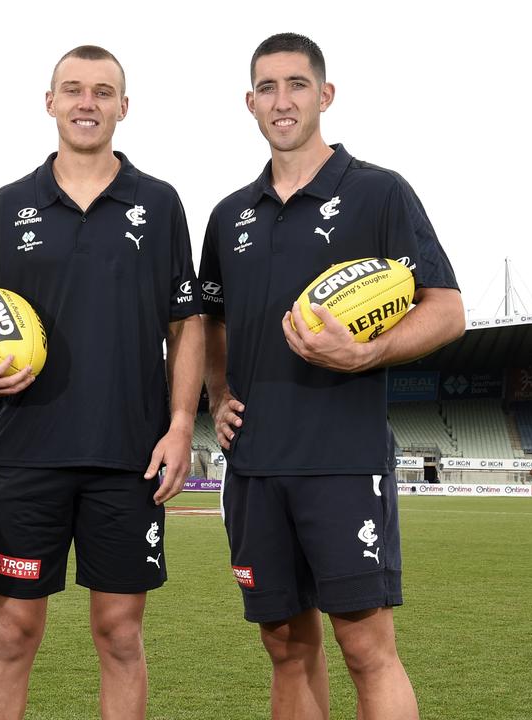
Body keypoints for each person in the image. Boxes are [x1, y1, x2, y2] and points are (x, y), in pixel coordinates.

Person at [199, 33, 465, 720]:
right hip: (255, 465)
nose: (281, 100)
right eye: (267, 87)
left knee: (366, 647)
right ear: (250, 102)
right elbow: (212, 323)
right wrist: (217, 393)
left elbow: (447, 310)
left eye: (296, 84)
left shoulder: (378, 193)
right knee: (285, 647)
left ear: (325, 94)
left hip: (343, 460)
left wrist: (367, 354)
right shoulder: (230, 216)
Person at [0, 45, 204, 720]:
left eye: (102, 91)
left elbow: (186, 325)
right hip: (29, 453)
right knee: (12, 634)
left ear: (124, 107)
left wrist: (182, 425)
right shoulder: (8, 208)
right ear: (50, 102)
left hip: (128, 455)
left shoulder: (158, 204)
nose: (87, 102)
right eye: (73, 89)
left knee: (120, 635)